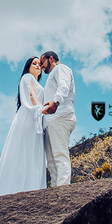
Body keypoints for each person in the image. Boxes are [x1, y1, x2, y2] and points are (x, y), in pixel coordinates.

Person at [0, 57, 47, 196]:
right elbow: (32, 94)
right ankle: (21, 188)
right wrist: (40, 109)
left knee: (32, 151)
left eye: (39, 64)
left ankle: (31, 187)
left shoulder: (37, 82)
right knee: (26, 150)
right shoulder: (27, 77)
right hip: (30, 116)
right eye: (34, 64)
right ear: (28, 67)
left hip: (35, 117)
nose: (37, 66)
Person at [40, 51, 75, 187]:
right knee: (51, 162)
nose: (42, 67)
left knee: (60, 154)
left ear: (51, 59)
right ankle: (55, 190)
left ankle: (63, 189)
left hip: (61, 116)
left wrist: (56, 102)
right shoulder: (51, 77)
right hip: (50, 122)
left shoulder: (61, 68)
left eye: (42, 63)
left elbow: (64, 85)